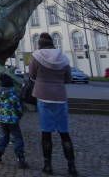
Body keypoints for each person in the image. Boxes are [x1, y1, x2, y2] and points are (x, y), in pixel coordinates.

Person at [29, 32, 77, 176]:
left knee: (46, 133)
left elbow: (32, 75)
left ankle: (48, 165)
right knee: (64, 134)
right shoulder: (63, 57)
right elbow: (68, 78)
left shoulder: (36, 57)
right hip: (60, 98)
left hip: (43, 97)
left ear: (40, 44)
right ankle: (72, 167)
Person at [0, 73, 27, 169]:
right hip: (12, 120)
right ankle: (20, 159)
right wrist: (20, 115)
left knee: (4, 136)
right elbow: (18, 108)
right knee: (17, 138)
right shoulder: (14, 94)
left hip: (2, 119)